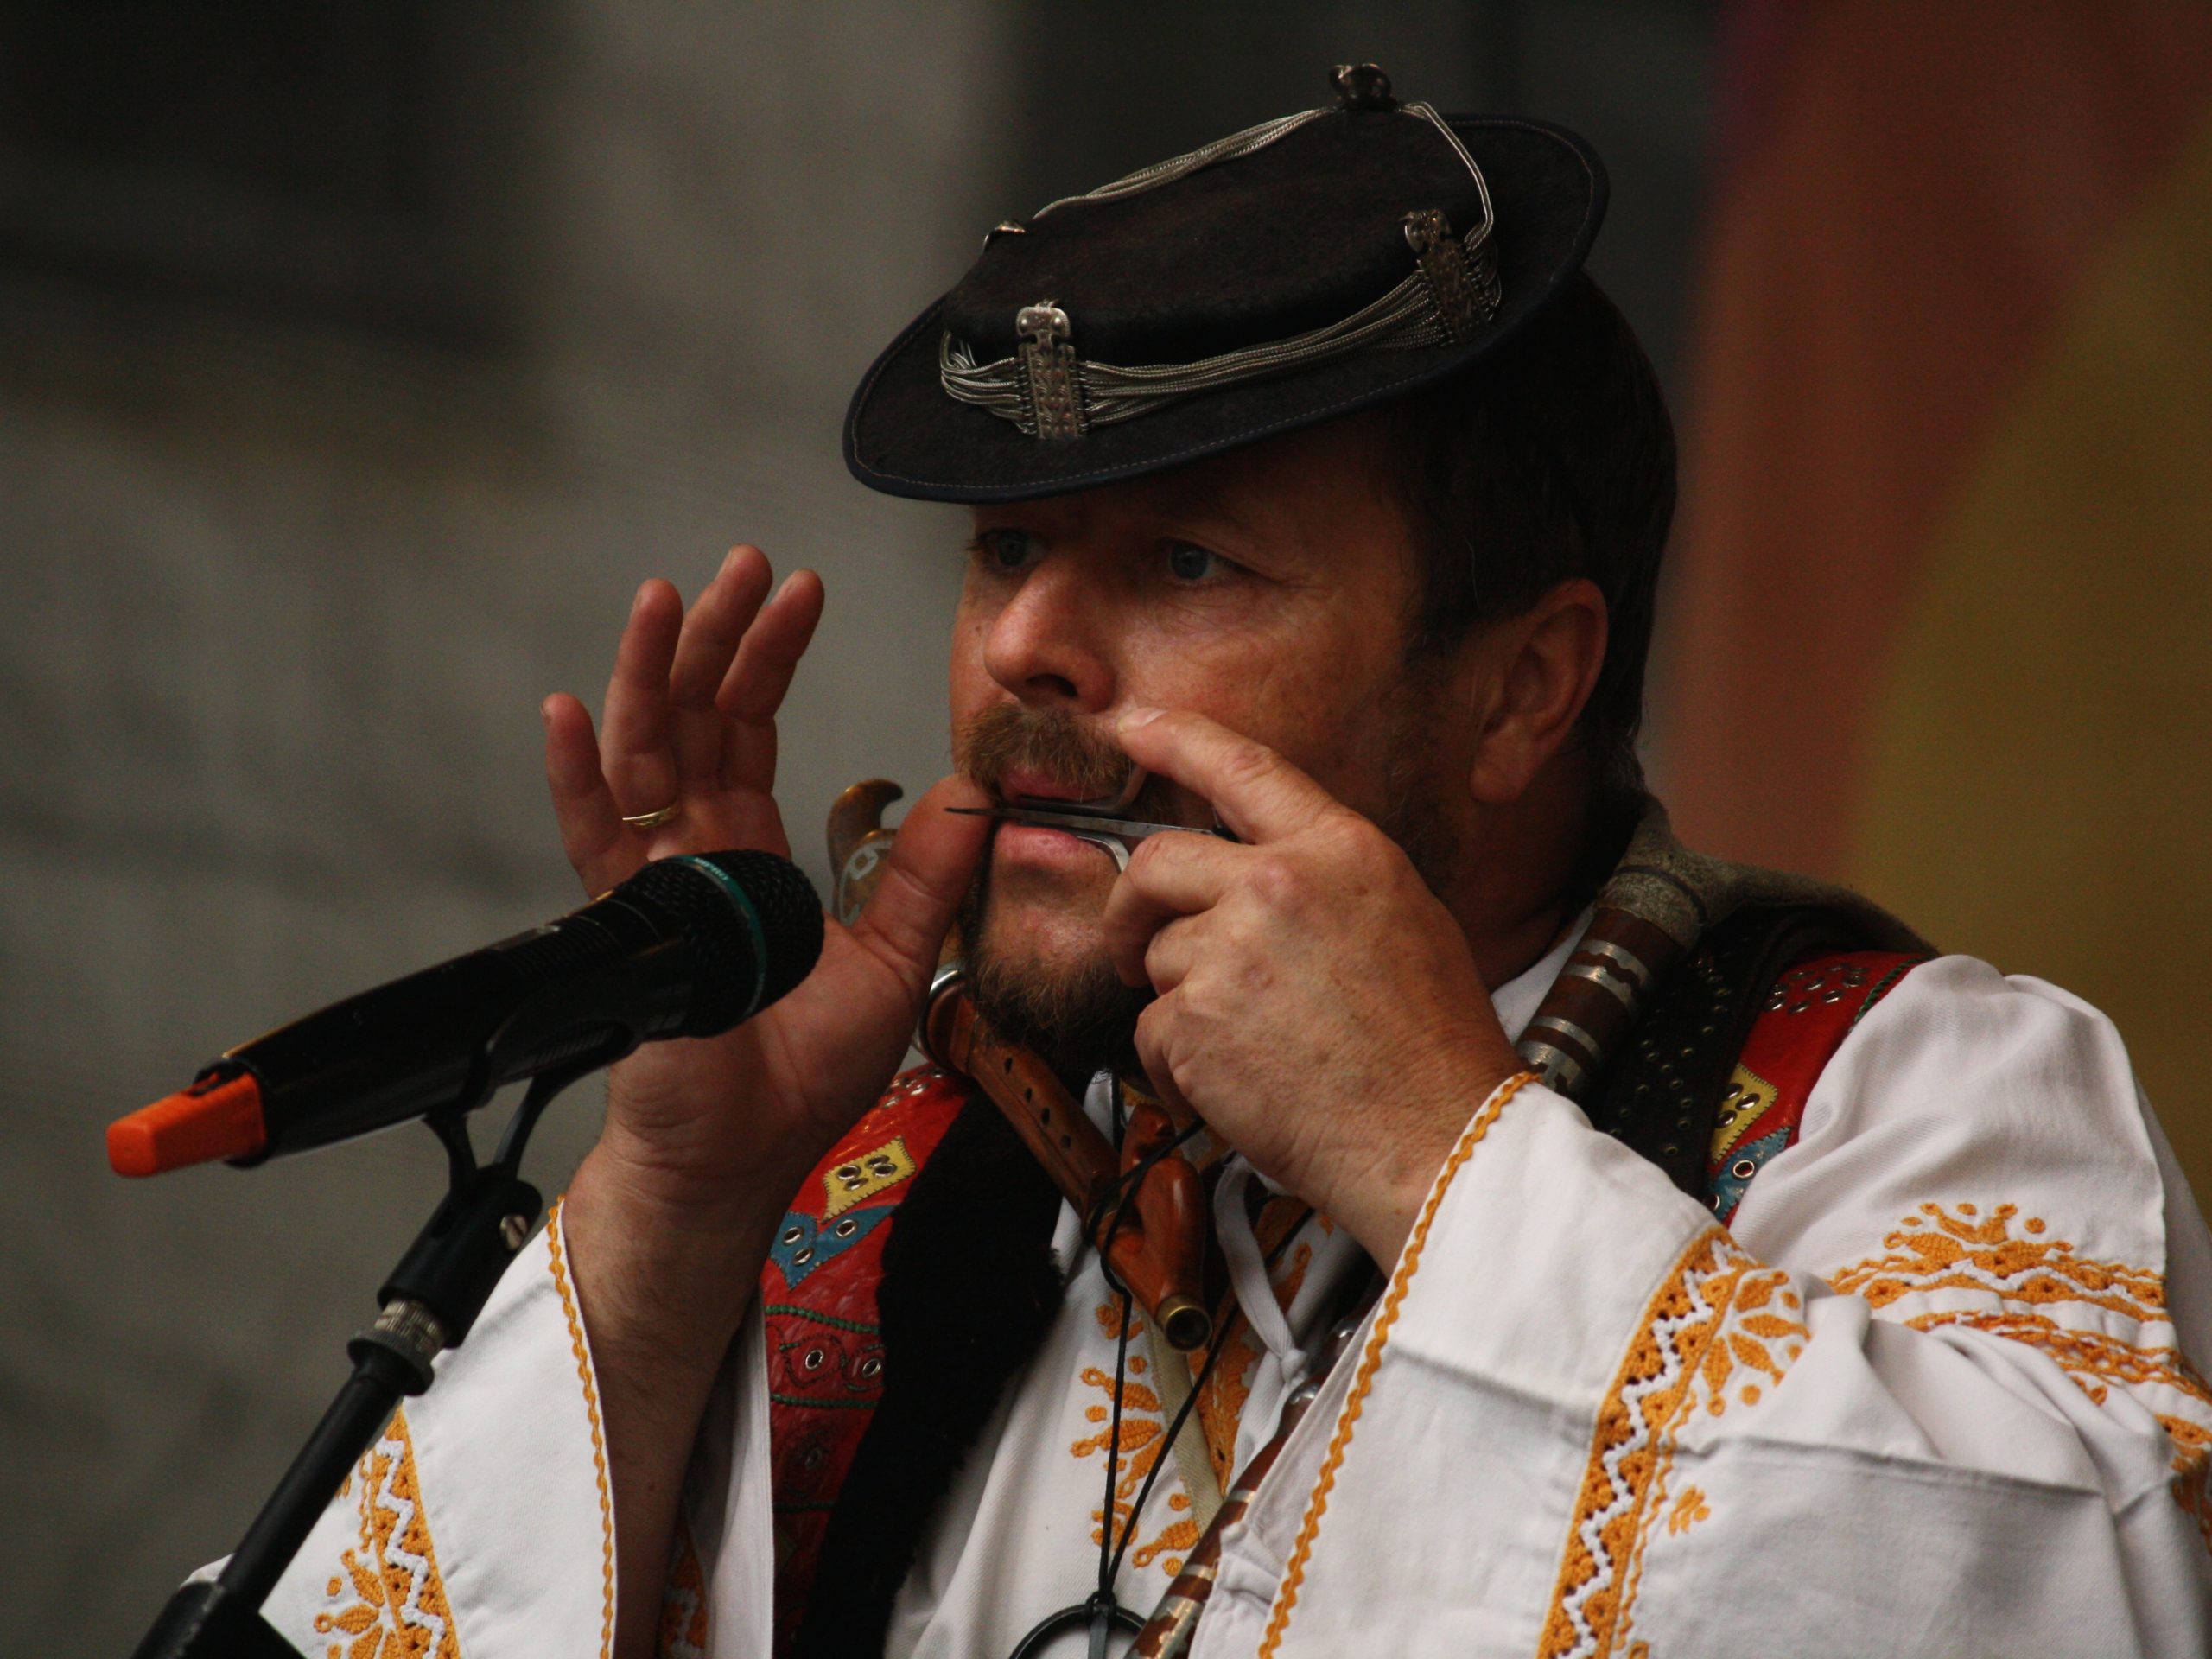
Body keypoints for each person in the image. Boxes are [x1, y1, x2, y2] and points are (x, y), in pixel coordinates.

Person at [248, 71, 2212, 1658]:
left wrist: (1437, 1155)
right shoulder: (874, 1193)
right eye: (1009, 550)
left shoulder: (1908, 1096)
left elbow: (2055, 1604)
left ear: (1521, 687)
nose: (1023, 648)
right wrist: (676, 1209)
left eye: (1185, 562)